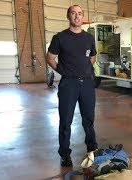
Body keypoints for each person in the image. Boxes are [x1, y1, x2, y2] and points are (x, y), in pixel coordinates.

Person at [46, 5, 98, 166]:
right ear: (68, 16)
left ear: (83, 17)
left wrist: (85, 69)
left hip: (88, 83)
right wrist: (64, 72)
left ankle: (92, 148)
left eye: (80, 14)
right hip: (69, 84)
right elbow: (50, 58)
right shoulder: (60, 38)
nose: (77, 16)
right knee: (66, 120)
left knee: (88, 119)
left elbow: (93, 57)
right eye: (73, 13)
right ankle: (64, 153)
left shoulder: (89, 38)